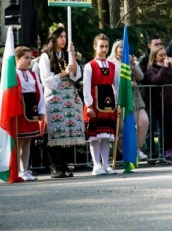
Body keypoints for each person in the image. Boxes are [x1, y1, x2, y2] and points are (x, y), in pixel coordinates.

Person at [38, 25, 84, 178]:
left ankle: (64, 164)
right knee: (54, 130)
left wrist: (72, 56)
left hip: (68, 95)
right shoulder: (46, 56)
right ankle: (54, 166)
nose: (63, 39)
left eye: (65, 36)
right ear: (54, 38)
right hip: (54, 96)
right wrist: (64, 73)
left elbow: (76, 76)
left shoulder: (66, 54)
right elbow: (47, 80)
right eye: (60, 36)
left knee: (68, 130)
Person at [83, 34, 119, 176]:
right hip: (95, 102)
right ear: (95, 47)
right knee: (95, 136)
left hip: (108, 103)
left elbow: (116, 86)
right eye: (101, 46)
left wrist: (117, 104)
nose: (104, 49)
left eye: (106, 46)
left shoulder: (112, 66)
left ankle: (105, 164)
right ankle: (96, 165)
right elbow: (86, 87)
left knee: (106, 135)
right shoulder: (89, 66)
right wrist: (89, 105)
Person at [109, 39, 150, 162]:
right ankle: (126, 153)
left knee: (144, 121)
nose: (122, 49)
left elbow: (140, 77)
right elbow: (112, 81)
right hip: (119, 97)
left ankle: (137, 149)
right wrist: (126, 84)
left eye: (125, 47)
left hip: (134, 97)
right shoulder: (111, 62)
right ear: (115, 49)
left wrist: (133, 65)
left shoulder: (131, 61)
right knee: (122, 128)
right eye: (120, 47)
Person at [145, 45, 172, 163]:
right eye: (161, 55)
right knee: (164, 127)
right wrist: (164, 68)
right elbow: (157, 80)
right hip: (159, 103)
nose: (164, 57)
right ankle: (162, 152)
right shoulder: (151, 69)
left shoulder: (170, 68)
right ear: (154, 57)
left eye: (165, 55)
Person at [14, 47, 45, 181]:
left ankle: (25, 170)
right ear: (17, 59)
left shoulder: (32, 74)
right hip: (20, 110)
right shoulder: (13, 74)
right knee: (19, 141)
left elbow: (39, 93)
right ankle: (17, 171)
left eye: (30, 58)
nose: (29, 60)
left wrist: (41, 111)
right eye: (26, 58)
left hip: (31, 108)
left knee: (28, 140)